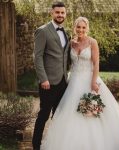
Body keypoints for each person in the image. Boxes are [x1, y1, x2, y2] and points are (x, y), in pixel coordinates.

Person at [40, 17, 119, 150]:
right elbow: (64, 61)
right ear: (75, 28)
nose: (80, 30)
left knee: (91, 112)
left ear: (87, 28)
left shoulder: (92, 42)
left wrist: (94, 82)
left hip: (89, 81)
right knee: (70, 112)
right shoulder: (71, 43)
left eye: (83, 27)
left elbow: (96, 64)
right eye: (78, 27)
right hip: (73, 82)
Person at [32, 2, 70, 150]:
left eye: (62, 12)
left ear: (65, 14)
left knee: (59, 115)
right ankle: (36, 145)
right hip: (48, 82)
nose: (60, 15)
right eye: (57, 12)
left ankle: (56, 144)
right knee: (43, 115)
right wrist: (43, 79)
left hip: (63, 81)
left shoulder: (66, 32)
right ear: (51, 13)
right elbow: (37, 57)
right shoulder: (42, 31)